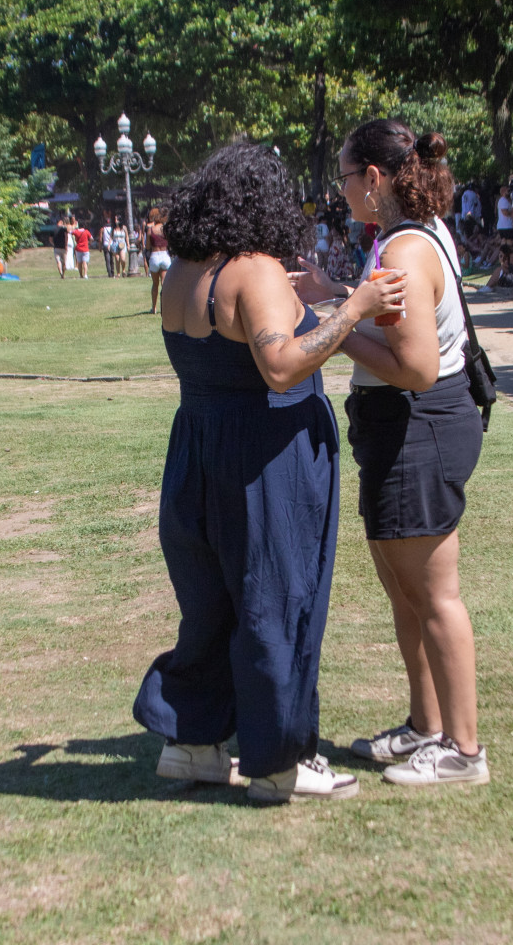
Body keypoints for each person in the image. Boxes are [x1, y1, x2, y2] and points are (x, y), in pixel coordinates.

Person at [134, 143, 406, 804]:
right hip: (264, 457)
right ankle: (282, 760)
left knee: (211, 606)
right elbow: (282, 367)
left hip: (196, 449)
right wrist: (355, 307)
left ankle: (193, 744)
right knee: (276, 602)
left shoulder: (180, 273)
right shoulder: (252, 273)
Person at [312, 120, 488, 787]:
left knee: (435, 595)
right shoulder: (402, 237)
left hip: (420, 421)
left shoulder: (405, 251)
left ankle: (464, 752)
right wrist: (336, 295)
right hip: (399, 424)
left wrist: (332, 322)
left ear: (375, 179)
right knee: (405, 590)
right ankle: (426, 726)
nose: (343, 190)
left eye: (346, 177)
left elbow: (414, 368)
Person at [144, 209, 171, 313]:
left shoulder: (150, 230)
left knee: (155, 284)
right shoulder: (166, 229)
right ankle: (165, 307)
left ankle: (154, 307)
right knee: (164, 283)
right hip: (165, 256)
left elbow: (147, 246)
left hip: (155, 256)